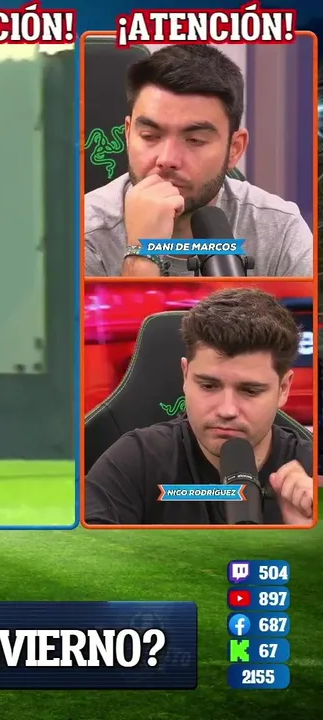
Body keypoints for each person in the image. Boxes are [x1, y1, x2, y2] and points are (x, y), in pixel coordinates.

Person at [85, 288, 315, 526]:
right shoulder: (133, 462)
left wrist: (306, 541)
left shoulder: (312, 473)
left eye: (250, 391)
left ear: (283, 388)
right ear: (185, 375)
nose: (227, 410)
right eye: (208, 386)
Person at [84, 45, 313, 278]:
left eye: (195, 140)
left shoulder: (280, 230)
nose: (167, 159)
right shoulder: (82, 234)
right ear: (128, 134)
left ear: (234, 149)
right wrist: (142, 254)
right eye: (149, 136)